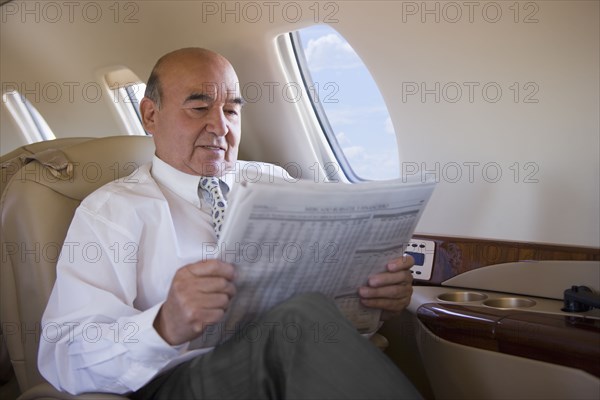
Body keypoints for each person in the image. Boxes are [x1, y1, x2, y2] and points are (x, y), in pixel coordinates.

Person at [38, 48, 421, 399]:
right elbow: (64, 355)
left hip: (284, 369)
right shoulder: (112, 211)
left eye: (232, 110)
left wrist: (376, 300)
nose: (220, 127)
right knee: (299, 320)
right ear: (151, 115)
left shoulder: (274, 183)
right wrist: (162, 326)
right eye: (199, 108)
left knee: (304, 321)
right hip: (176, 383)